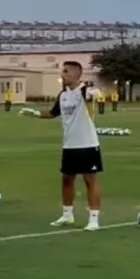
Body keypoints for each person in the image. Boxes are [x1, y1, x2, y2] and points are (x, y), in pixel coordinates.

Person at [21, 61, 103, 231]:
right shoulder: (63, 95)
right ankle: (67, 215)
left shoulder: (84, 91)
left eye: (65, 71)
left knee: (90, 180)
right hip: (69, 145)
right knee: (67, 180)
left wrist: (95, 94)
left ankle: (94, 219)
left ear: (75, 74)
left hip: (87, 143)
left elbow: (93, 95)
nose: (62, 74)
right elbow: (52, 113)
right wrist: (35, 113)